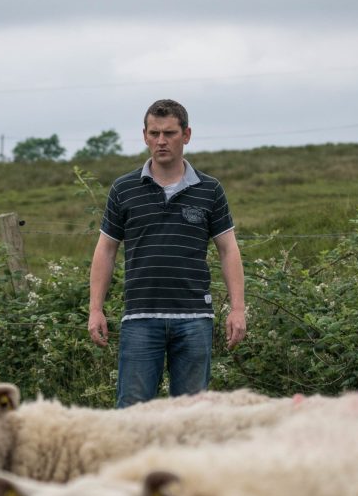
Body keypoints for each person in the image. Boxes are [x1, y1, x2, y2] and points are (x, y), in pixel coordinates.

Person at [88, 99, 246, 408]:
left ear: (186, 135)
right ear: (145, 135)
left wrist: (238, 308)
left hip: (194, 318)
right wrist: (95, 309)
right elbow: (106, 249)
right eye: (155, 133)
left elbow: (228, 249)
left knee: (190, 416)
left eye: (170, 133)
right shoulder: (124, 189)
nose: (162, 141)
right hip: (140, 317)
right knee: (133, 413)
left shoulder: (209, 189)